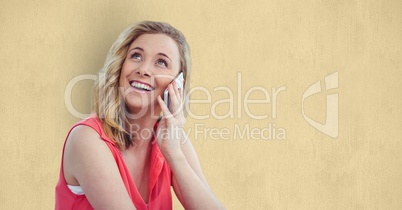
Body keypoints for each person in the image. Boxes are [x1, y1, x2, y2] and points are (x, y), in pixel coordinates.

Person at [55, 21, 225, 210]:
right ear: (120, 66)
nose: (143, 69)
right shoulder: (87, 139)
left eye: (161, 62)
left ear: (177, 83)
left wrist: (173, 153)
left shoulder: (172, 140)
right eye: (136, 56)